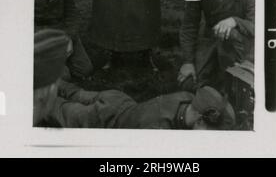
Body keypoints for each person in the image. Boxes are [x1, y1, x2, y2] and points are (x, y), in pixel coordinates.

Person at [34, 29, 236, 129]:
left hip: (118, 99)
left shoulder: (186, 97)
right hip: (104, 117)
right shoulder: (158, 127)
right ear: (200, 121)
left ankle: (47, 79)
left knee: (75, 93)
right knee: (58, 108)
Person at [178, 0, 255, 92]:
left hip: (241, 46)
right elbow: (189, 27)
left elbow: (259, 26)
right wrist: (187, 61)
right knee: (188, 83)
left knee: (237, 89)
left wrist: (235, 21)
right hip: (210, 41)